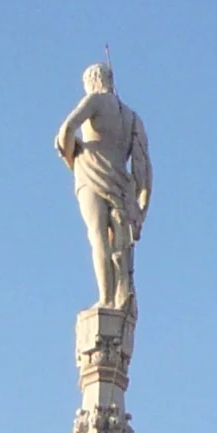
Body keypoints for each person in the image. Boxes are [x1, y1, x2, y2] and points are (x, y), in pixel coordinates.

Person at [55, 61, 152, 311]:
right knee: (120, 244)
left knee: (98, 236)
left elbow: (67, 129)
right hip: (121, 186)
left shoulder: (94, 101)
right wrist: (141, 208)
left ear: (91, 82)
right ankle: (121, 295)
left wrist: (72, 157)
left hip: (91, 177)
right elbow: (143, 168)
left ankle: (106, 298)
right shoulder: (133, 118)